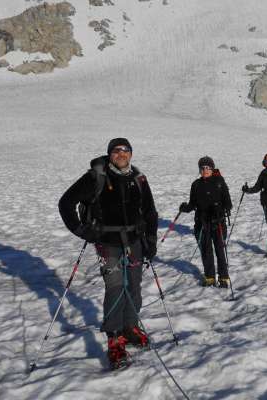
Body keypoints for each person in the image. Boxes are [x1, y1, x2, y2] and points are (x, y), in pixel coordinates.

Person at [58, 138, 158, 369]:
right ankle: (114, 338)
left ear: (131, 154)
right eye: (116, 150)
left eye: (125, 150)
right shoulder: (96, 176)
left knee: (133, 285)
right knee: (115, 288)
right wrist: (81, 230)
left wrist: (151, 241)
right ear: (110, 154)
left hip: (134, 241)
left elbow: (150, 212)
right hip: (107, 241)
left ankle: (130, 326)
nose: (121, 154)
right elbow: (66, 203)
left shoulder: (138, 178)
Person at [179, 156, 233, 288]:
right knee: (206, 250)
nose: (205, 170)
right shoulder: (196, 184)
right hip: (202, 223)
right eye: (202, 168)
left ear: (212, 168)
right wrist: (185, 208)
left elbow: (228, 203)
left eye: (208, 167)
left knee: (220, 250)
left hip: (218, 222)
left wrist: (220, 209)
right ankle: (209, 277)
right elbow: (192, 204)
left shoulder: (219, 182)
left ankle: (224, 277)